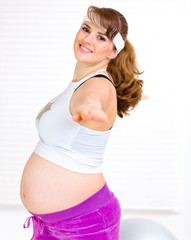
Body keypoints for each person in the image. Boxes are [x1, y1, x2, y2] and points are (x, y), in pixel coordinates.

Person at [20, 5, 143, 240]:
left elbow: (91, 99)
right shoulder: (79, 81)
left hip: (85, 223)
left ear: (113, 51)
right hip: (51, 223)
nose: (88, 39)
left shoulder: (98, 84)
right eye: (86, 29)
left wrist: (90, 108)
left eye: (101, 37)